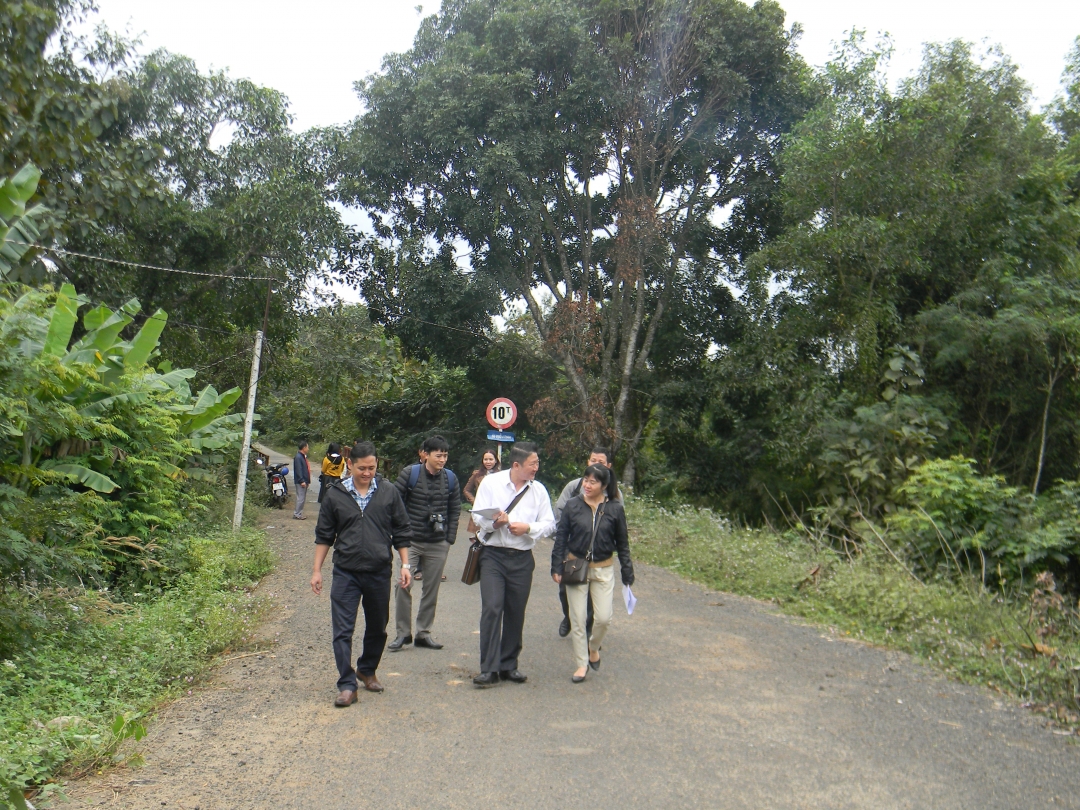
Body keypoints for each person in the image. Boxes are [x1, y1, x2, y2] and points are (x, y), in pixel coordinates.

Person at [310, 441, 413, 707]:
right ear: (351, 465)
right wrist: (317, 570)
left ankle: (367, 669)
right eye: (362, 468)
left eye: (372, 467)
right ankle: (346, 684)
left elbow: (401, 531)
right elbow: (324, 536)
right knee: (342, 629)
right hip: (346, 572)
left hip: (379, 571)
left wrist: (405, 565)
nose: (367, 473)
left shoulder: (389, 492)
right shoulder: (335, 494)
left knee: (378, 626)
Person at [469, 442, 556, 687]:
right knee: (492, 608)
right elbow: (476, 515)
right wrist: (495, 523)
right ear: (516, 465)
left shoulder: (538, 490)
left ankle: (509, 664)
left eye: (537, 463)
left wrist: (528, 528)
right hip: (493, 555)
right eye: (533, 464)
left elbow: (549, 523)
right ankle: (488, 668)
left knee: (516, 611)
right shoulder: (491, 483)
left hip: (521, 558)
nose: (536, 468)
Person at [551, 463, 634, 683]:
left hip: (604, 568)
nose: (587, 485)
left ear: (604, 485)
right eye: (585, 480)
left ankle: (593, 647)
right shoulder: (572, 505)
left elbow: (623, 543)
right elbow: (561, 537)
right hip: (576, 567)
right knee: (578, 619)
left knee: (604, 618)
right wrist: (556, 566)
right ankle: (581, 664)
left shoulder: (614, 508)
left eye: (593, 481)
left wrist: (627, 570)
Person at [387, 435, 461, 652]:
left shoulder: (450, 478)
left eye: (445, 455)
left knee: (432, 589)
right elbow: (394, 503)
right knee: (403, 584)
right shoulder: (410, 474)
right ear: (425, 455)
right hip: (411, 541)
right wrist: (399, 534)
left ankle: (423, 632)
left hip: (438, 543)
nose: (443, 459)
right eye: (439, 455)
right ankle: (403, 633)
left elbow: (455, 509)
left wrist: (449, 539)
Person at [552, 447, 619, 637]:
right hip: (572, 549)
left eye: (601, 461)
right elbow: (559, 512)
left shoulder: (614, 493)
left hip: (598, 553)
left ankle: (587, 627)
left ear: (609, 466)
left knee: (591, 593)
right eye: (593, 460)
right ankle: (569, 616)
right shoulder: (574, 487)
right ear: (587, 462)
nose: (596, 464)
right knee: (566, 588)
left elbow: (617, 523)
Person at [293, 441, 311, 520]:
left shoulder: (302, 456)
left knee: (302, 498)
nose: (308, 449)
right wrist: (301, 480)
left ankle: (299, 513)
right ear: (304, 448)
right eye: (307, 447)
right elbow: (299, 470)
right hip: (301, 481)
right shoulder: (298, 457)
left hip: (304, 480)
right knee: (300, 498)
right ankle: (297, 513)